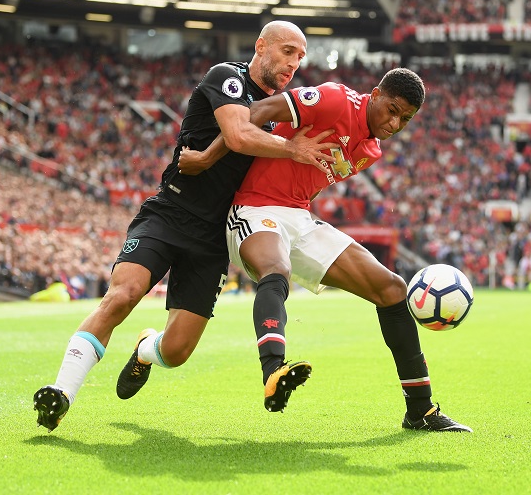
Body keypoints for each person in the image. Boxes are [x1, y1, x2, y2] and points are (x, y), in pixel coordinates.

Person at [32, 20, 336, 432]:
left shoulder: (281, 110)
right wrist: (291, 149)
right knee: (122, 295)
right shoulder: (227, 77)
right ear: (261, 47)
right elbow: (238, 132)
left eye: (301, 57)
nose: (294, 63)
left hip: (215, 238)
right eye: (287, 51)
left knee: (175, 352)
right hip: (170, 213)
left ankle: (144, 349)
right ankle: (62, 392)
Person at [180, 68, 472, 432]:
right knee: (276, 269)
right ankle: (274, 370)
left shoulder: (371, 151)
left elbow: (314, 181)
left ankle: (421, 411)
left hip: (300, 218)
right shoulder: (335, 99)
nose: (395, 123)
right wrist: (209, 157)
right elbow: (256, 113)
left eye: (406, 119)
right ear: (376, 93)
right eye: (392, 110)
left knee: (393, 289)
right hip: (254, 208)